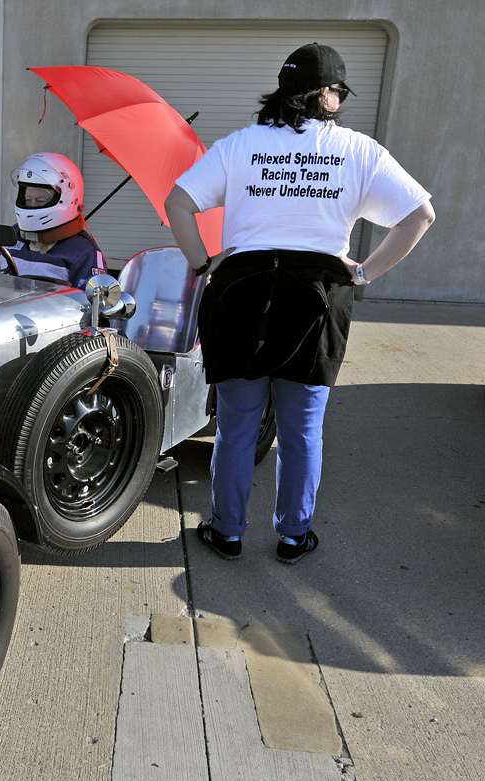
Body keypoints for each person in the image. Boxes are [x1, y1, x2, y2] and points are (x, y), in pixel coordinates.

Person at [164, 43, 434, 564]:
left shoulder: (239, 145)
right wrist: (363, 272)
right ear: (327, 96)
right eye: (339, 90)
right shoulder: (359, 151)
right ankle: (293, 535)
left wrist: (202, 263)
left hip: (240, 289)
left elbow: (179, 202)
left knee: (237, 425)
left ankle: (227, 533)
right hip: (315, 297)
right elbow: (419, 215)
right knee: (302, 429)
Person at [0, 152, 107, 289]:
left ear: (68, 200)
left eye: (40, 200)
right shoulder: (9, 239)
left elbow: (90, 306)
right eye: (28, 200)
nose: (32, 205)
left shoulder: (83, 252)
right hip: (5, 310)